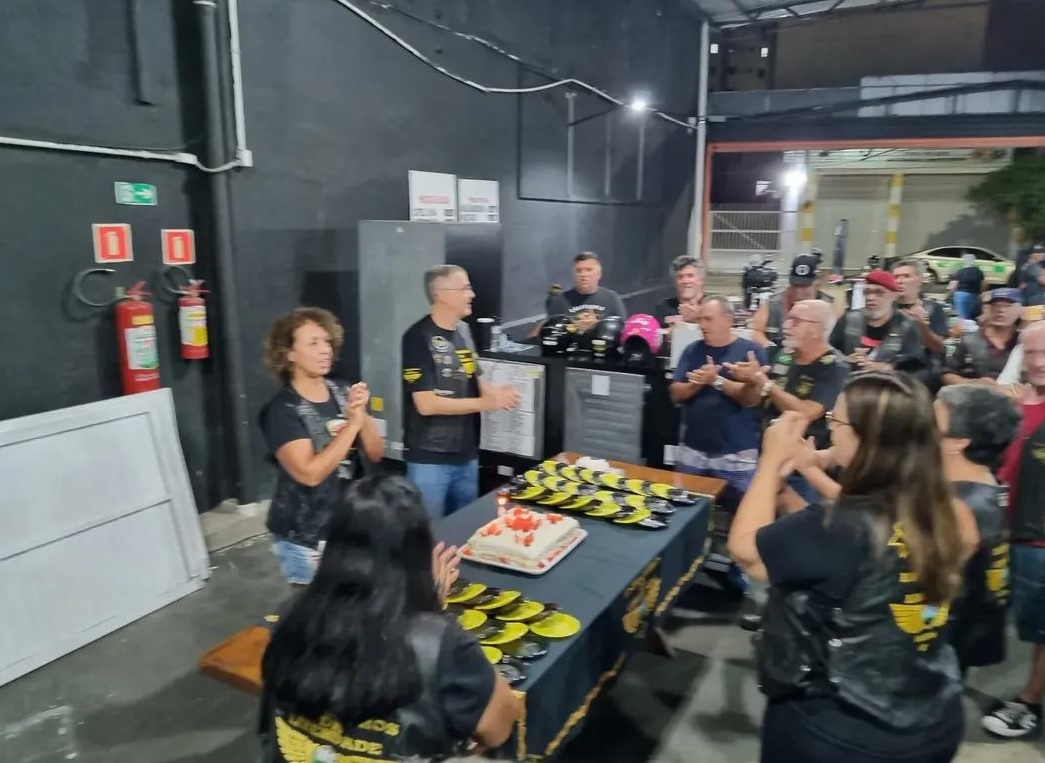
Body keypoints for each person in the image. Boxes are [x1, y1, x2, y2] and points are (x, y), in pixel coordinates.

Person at [728, 374, 973, 763]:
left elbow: (747, 553)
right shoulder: (947, 510)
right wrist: (788, 487)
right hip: (930, 714)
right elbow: (852, 548)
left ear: (866, 439)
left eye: (836, 421)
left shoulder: (842, 525)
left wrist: (770, 460)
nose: (831, 430)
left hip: (842, 729)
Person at [259, 475, 521, 762]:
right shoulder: (442, 644)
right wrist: (432, 613)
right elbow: (498, 727)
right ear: (418, 552)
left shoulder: (289, 616)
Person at [261, 308, 386, 587]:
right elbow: (310, 474)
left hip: (351, 524)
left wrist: (361, 413)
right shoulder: (283, 410)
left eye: (327, 341)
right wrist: (352, 425)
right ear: (289, 353)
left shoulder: (342, 390)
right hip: (307, 536)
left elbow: (376, 452)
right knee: (317, 609)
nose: (325, 350)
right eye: (313, 343)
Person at [402, 265, 520, 519]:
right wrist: (485, 403)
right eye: (465, 288)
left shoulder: (464, 331)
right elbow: (426, 404)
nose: (472, 294)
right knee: (429, 532)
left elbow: (475, 376)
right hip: (430, 458)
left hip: (466, 454)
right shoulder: (417, 338)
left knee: (465, 526)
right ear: (441, 294)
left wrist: (496, 394)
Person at [981, 321, 1045, 738]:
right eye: (1030, 352)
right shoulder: (1015, 405)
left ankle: (1030, 702)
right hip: (1003, 531)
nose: (1037, 362)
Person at [728, 299, 848, 505]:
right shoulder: (781, 354)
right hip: (765, 459)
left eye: (796, 321)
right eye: (787, 319)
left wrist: (763, 382)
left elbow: (807, 412)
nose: (786, 325)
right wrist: (750, 381)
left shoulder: (835, 366)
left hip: (801, 470)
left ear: (817, 330)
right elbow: (751, 401)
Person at [936, 385, 1021, 676]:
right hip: (970, 627)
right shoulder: (987, 485)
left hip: (944, 638)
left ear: (958, 441)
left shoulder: (959, 505)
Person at [670, 296, 766, 495]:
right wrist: (696, 384)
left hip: (736, 456)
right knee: (683, 506)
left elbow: (752, 400)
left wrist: (716, 380)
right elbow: (675, 393)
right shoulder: (692, 350)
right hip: (693, 452)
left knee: (741, 510)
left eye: (708, 319)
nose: (702, 325)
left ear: (728, 320)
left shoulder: (751, 352)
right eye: (700, 319)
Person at [829, 269, 926, 376]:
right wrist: (846, 360)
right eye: (867, 292)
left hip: (888, 383)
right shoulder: (849, 320)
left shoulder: (906, 326)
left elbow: (915, 367)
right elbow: (829, 352)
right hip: (850, 381)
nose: (870, 298)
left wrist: (886, 368)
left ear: (894, 295)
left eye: (879, 293)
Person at [751, 253, 833, 358]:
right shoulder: (773, 303)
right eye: (794, 285)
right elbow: (756, 330)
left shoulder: (829, 306)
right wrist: (772, 349)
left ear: (817, 283)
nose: (798, 291)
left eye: (804, 286)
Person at [941, 288, 1021, 386]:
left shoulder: (1025, 343)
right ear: (987, 309)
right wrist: (972, 383)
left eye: (1008, 306)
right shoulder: (968, 341)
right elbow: (947, 374)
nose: (1000, 310)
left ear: (1020, 310)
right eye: (995, 305)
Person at [545, 251, 627, 333]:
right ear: (573, 274)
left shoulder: (611, 299)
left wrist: (597, 325)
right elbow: (550, 333)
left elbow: (622, 331)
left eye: (588, 270)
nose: (583, 274)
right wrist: (576, 326)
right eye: (579, 271)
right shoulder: (560, 301)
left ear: (599, 274)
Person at [653, 255, 705, 329]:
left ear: (701, 280)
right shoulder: (664, 307)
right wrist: (683, 320)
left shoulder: (712, 306)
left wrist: (695, 317)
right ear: (675, 282)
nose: (685, 281)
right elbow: (655, 333)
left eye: (690, 276)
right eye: (680, 277)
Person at [949, 253, 985, 320]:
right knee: (972, 318)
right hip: (974, 296)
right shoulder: (979, 272)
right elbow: (983, 285)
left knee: (962, 318)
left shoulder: (959, 272)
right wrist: (981, 295)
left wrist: (951, 295)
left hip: (960, 296)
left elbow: (953, 286)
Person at [1019, 244, 1045, 316]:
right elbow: (1043, 280)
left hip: (1027, 297)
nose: (1043, 255)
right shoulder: (1034, 267)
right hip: (1035, 298)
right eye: (1041, 253)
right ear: (1034, 254)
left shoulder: (1025, 265)